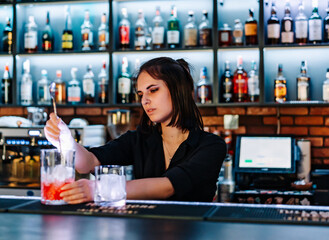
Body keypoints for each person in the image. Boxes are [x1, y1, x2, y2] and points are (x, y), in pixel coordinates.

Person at [44, 57, 226, 204]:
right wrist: (66, 141)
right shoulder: (140, 139)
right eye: (140, 94)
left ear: (179, 91)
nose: (144, 101)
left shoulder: (211, 145)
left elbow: (168, 186)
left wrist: (99, 189)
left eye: (153, 90)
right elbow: (89, 162)